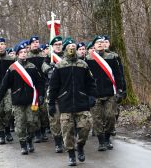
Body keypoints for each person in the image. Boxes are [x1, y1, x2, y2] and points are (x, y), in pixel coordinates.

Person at [49, 38, 96, 166]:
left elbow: (91, 83)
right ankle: (71, 154)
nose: (71, 49)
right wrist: (51, 103)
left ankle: (80, 146)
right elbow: (53, 87)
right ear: (65, 49)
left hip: (82, 103)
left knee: (86, 127)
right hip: (65, 104)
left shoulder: (83, 65)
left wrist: (91, 96)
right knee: (67, 131)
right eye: (69, 47)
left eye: (73, 47)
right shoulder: (59, 66)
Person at [0, 41, 44, 154]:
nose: (23, 54)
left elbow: (40, 82)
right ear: (17, 54)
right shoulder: (13, 68)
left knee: (32, 122)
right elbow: (4, 85)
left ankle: (29, 140)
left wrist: (41, 95)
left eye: (25, 52)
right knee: (20, 124)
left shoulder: (32, 67)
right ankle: (23, 145)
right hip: (18, 101)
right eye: (21, 52)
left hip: (31, 101)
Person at [85, 35, 124, 151]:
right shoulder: (88, 59)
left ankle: (107, 138)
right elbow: (85, 78)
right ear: (94, 45)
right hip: (95, 94)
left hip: (109, 93)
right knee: (97, 119)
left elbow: (118, 74)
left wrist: (120, 89)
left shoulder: (112, 57)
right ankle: (101, 141)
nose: (100, 44)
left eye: (102, 42)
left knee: (110, 117)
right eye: (98, 43)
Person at [42, 36, 65, 153]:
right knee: (55, 119)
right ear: (52, 46)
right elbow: (43, 67)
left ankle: (68, 140)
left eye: (60, 44)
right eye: (56, 44)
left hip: (66, 93)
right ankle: (58, 142)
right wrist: (49, 68)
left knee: (67, 120)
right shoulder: (48, 58)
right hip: (53, 93)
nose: (58, 46)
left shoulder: (66, 56)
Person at [27, 35, 48, 143]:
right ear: (30, 44)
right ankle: (37, 132)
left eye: (37, 42)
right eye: (33, 42)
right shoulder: (26, 56)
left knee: (43, 110)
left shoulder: (43, 55)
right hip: (31, 87)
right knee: (34, 111)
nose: (36, 44)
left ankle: (44, 130)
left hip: (42, 85)